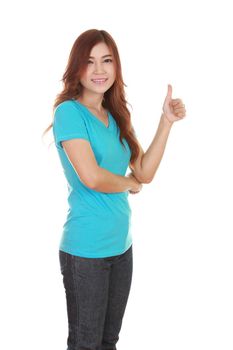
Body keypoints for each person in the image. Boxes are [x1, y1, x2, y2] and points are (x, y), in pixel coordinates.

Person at [42, 28, 186, 350]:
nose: (99, 70)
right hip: (85, 250)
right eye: (89, 61)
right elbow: (91, 176)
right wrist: (129, 183)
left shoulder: (118, 115)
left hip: (121, 247)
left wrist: (165, 122)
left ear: (116, 66)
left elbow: (144, 171)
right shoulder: (68, 112)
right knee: (86, 344)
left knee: (108, 342)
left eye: (106, 60)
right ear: (76, 68)